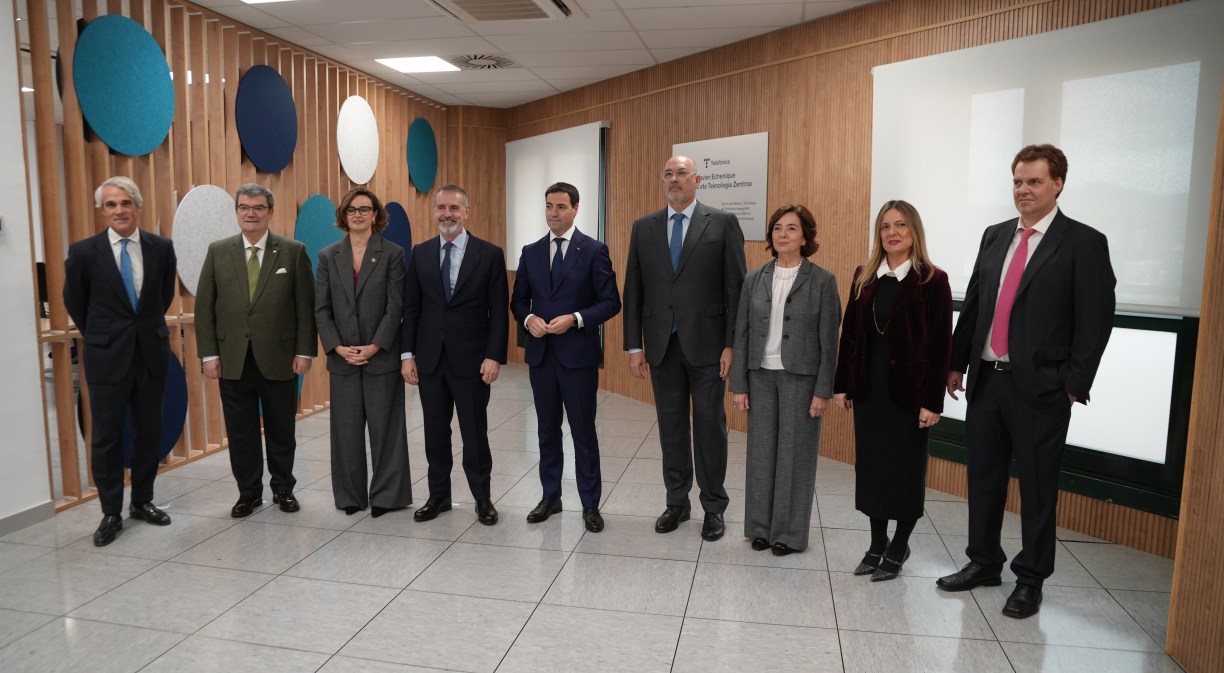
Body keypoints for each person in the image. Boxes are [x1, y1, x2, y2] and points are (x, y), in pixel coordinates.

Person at [937, 144, 1116, 619]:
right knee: (984, 478)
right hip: (988, 382)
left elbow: (1095, 319)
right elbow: (974, 303)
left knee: (1037, 488)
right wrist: (956, 363)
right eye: (1018, 181)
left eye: (1034, 181)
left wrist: (1074, 382)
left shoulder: (1082, 242)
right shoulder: (995, 236)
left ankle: (1031, 578)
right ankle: (983, 562)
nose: (1023, 190)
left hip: (1041, 388)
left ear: (1058, 184)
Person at [623, 155, 747, 541]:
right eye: (668, 174)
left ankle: (714, 505)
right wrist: (633, 346)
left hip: (709, 347)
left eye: (681, 174)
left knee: (710, 427)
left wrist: (732, 345)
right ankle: (677, 501)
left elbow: (736, 289)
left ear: (697, 180)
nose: (674, 179)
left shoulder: (722, 223)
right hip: (661, 345)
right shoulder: (644, 227)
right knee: (671, 429)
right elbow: (634, 288)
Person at [832, 200, 953, 580]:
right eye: (885, 226)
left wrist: (933, 401)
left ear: (914, 231)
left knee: (904, 472)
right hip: (870, 393)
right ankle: (875, 543)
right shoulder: (864, 276)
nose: (892, 233)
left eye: (900, 225)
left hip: (910, 396)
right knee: (872, 470)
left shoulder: (933, 279)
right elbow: (849, 334)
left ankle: (899, 546)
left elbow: (941, 346)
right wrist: (842, 384)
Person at [63, 176, 178, 546]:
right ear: (102, 210)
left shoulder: (161, 248)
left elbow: (162, 298)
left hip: (150, 355)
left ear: (137, 206)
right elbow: (75, 303)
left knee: (149, 432)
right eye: (111, 205)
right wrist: (106, 334)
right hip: (106, 357)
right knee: (107, 437)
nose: (119, 210)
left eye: (125, 203)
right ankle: (110, 511)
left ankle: (142, 501)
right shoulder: (83, 253)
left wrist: (138, 330)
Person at [196, 183, 317, 518]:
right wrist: (209, 354)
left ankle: (283, 489)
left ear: (270, 212)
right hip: (232, 360)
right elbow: (205, 307)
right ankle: (248, 492)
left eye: (258, 208)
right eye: (244, 208)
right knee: (241, 432)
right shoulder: (218, 251)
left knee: (282, 430)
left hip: (279, 359)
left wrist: (305, 351)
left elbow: (305, 307)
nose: (251, 213)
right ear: (236, 211)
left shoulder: (293, 251)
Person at [729, 204, 840, 556]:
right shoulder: (754, 278)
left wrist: (824, 389)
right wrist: (739, 384)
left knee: (795, 457)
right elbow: (742, 332)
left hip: (801, 379)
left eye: (791, 228)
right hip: (760, 376)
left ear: (805, 236)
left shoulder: (822, 281)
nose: (782, 234)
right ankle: (760, 529)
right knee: (761, 455)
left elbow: (829, 341)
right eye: (777, 228)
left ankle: (789, 535)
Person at [510, 182, 621, 533]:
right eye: (548, 206)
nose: (553, 213)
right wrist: (529, 320)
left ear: (575, 209)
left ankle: (590, 504)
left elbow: (610, 302)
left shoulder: (593, 250)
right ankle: (550, 496)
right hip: (542, 357)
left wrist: (574, 319)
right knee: (546, 430)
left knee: (583, 432)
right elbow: (518, 301)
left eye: (560, 207)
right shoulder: (530, 252)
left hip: (578, 357)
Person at [401, 184, 508, 526]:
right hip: (430, 360)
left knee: (474, 433)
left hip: (473, 361)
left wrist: (494, 356)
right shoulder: (420, 253)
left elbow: (498, 312)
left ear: (467, 212)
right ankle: (439, 496)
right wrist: (407, 355)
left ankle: (482, 498)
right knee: (434, 432)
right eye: (441, 208)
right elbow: (412, 309)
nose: (447, 214)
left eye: (454, 208)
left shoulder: (489, 254)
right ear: (434, 211)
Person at [315, 188, 411, 517]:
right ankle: (350, 496)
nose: (358, 214)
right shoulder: (328, 256)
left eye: (365, 209)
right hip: (342, 358)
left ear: (375, 215)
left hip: (380, 356)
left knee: (386, 430)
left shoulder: (393, 254)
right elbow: (322, 309)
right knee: (346, 432)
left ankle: (387, 496)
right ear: (344, 215)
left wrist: (375, 345)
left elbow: (395, 306)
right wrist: (337, 347)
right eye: (352, 209)